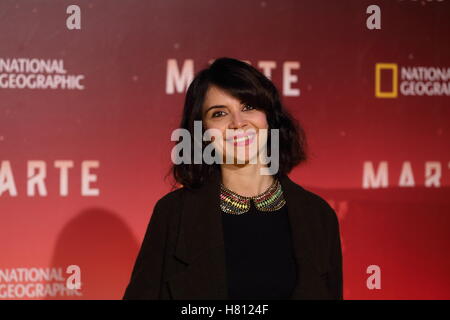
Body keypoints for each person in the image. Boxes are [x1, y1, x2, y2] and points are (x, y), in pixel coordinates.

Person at [123, 57, 343, 300]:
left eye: (248, 107)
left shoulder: (318, 215)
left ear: (269, 117)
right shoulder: (173, 214)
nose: (238, 123)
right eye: (219, 114)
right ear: (202, 131)